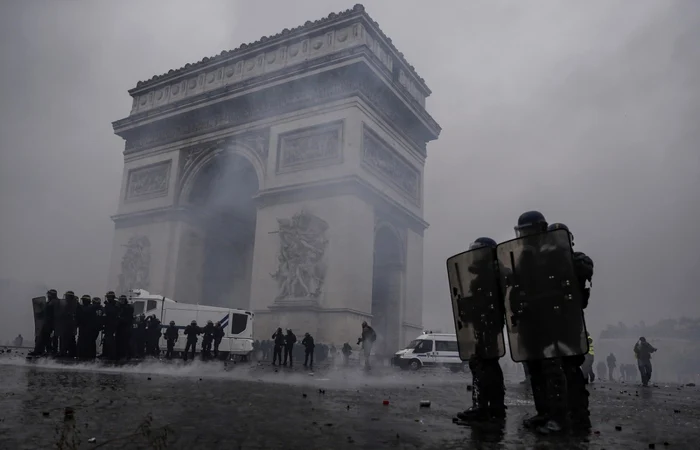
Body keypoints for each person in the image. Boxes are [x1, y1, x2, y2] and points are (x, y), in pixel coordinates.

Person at [452, 237, 506, 423]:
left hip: (488, 328)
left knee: (482, 365)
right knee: (489, 364)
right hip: (487, 327)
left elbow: (486, 304)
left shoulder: (490, 277)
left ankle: (483, 408)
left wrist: (468, 306)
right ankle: (495, 407)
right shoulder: (493, 275)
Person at [548, 222, 594, 431]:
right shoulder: (543, 264)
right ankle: (558, 415)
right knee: (553, 371)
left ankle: (577, 417)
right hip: (550, 324)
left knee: (570, 371)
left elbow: (585, 266)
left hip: (569, 324)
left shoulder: (577, 261)